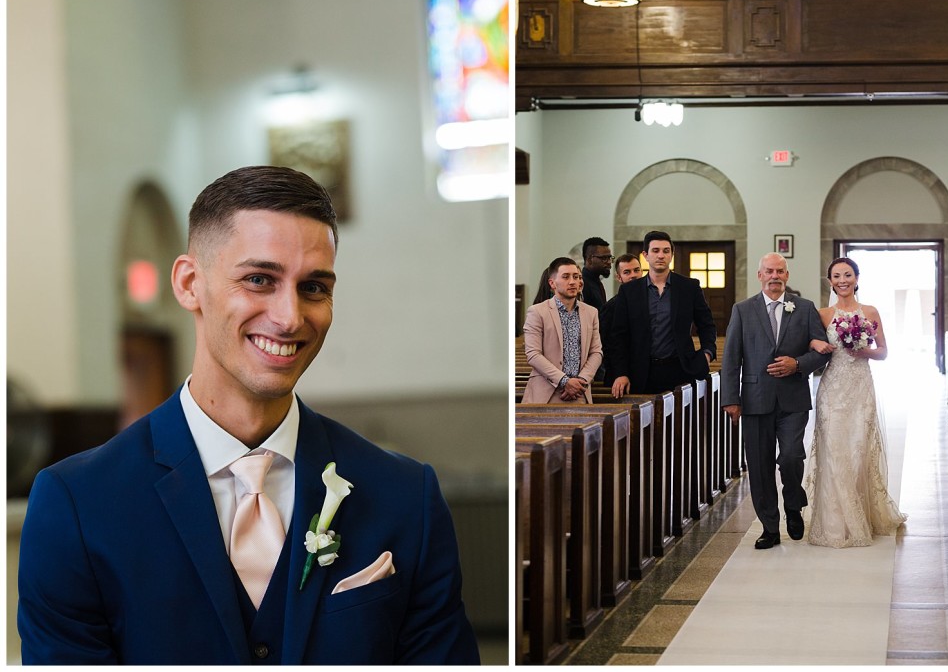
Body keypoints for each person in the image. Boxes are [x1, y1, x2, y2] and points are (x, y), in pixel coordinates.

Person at [18, 166, 480, 664]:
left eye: (314, 287)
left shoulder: (406, 496)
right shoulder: (77, 504)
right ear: (191, 283)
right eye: (259, 279)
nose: (289, 317)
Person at [720, 252, 831, 549]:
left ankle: (793, 505)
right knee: (759, 465)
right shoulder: (743, 310)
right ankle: (769, 526)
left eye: (780, 271)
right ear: (759, 275)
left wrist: (797, 364)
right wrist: (730, 398)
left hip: (793, 398)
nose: (775, 276)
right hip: (755, 399)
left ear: (787, 275)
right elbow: (731, 358)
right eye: (769, 271)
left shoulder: (804, 308)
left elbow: (822, 351)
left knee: (792, 456)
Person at [804, 257, 907, 548]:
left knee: (857, 452)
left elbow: (884, 351)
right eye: (836, 276)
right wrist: (815, 343)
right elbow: (808, 342)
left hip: (860, 387)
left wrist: (865, 351)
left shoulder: (870, 311)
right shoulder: (822, 314)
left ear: (857, 278)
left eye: (847, 274)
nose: (842, 280)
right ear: (830, 281)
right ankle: (835, 522)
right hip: (832, 390)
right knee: (834, 451)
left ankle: (861, 514)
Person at [609, 231, 716, 398]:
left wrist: (707, 353)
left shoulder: (689, 287)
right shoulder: (629, 291)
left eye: (666, 251)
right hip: (641, 371)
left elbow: (706, 324)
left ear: (672, 255)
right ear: (645, 255)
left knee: (684, 422)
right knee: (644, 423)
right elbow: (619, 336)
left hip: (681, 368)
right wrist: (621, 372)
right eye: (655, 250)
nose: (661, 255)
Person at [522, 257, 602, 404]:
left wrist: (581, 380)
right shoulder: (537, 312)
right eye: (566, 277)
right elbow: (533, 354)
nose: (572, 282)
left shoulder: (591, 313)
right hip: (546, 393)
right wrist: (564, 381)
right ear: (552, 283)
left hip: (579, 393)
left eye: (576, 277)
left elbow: (596, 352)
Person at [599, 253, 644, 386]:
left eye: (636, 270)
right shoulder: (611, 307)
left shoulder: (651, 301)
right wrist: (620, 372)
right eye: (627, 272)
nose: (633, 275)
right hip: (619, 375)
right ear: (619, 277)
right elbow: (606, 345)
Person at [581, 236, 612, 309]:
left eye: (610, 258)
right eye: (604, 258)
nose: (609, 262)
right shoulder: (582, 284)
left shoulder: (596, 281)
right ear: (589, 260)